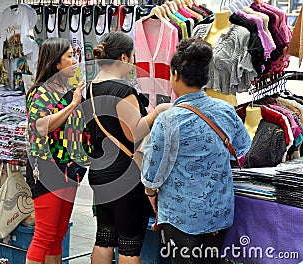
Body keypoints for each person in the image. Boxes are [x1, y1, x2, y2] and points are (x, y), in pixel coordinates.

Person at [141, 38, 252, 264]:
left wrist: (151, 194)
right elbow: (242, 149)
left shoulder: (168, 120)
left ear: (174, 75)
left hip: (181, 217)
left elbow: (152, 173)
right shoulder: (225, 110)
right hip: (219, 213)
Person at [85, 31, 171, 264]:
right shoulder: (123, 91)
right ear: (123, 58)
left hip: (100, 172)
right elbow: (133, 133)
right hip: (126, 176)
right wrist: (157, 112)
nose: (133, 64)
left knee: (104, 237)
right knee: (130, 246)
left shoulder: (91, 87)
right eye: (132, 58)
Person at [25, 38, 91, 264]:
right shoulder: (41, 93)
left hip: (69, 168)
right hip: (47, 168)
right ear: (56, 64)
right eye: (70, 56)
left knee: (58, 234)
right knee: (44, 235)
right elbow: (41, 126)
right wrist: (73, 105)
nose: (75, 61)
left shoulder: (66, 88)